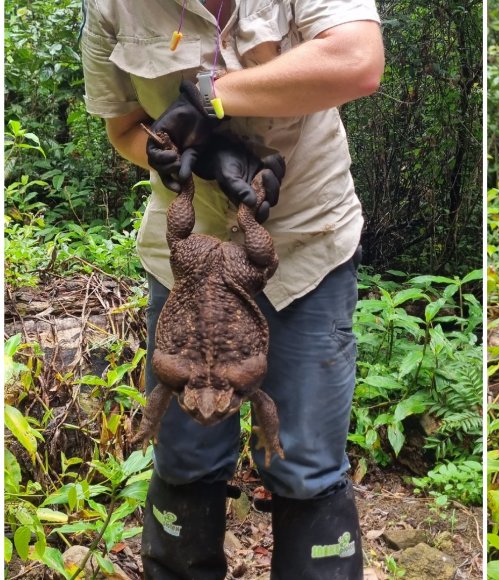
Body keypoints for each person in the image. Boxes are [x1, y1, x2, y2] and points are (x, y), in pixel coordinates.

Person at [80, 1, 384, 578]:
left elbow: (358, 61)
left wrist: (207, 95)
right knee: (185, 457)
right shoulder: (111, 6)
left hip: (304, 245)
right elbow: (122, 128)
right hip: (188, 260)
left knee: (306, 461)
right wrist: (164, 153)